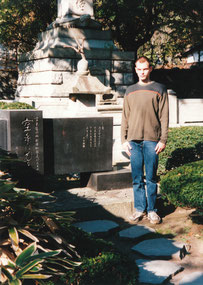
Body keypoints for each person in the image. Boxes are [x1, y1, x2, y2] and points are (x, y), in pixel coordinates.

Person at [121, 56, 169, 224]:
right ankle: (139, 208)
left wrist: (163, 140)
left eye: (145, 69)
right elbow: (125, 116)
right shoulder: (130, 90)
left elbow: (164, 116)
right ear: (135, 70)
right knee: (136, 178)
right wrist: (123, 140)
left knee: (151, 178)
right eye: (139, 69)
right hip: (133, 141)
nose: (142, 72)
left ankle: (152, 210)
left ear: (150, 69)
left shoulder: (160, 88)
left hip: (152, 140)